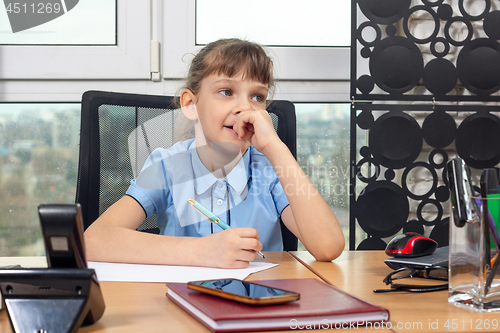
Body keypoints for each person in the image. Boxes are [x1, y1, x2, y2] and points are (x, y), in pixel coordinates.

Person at [84, 38, 345, 268]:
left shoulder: (271, 171)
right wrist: (203, 252)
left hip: (257, 303)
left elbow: (328, 246)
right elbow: (94, 241)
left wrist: (275, 147)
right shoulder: (167, 167)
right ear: (190, 104)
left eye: (257, 97)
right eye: (226, 92)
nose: (245, 106)